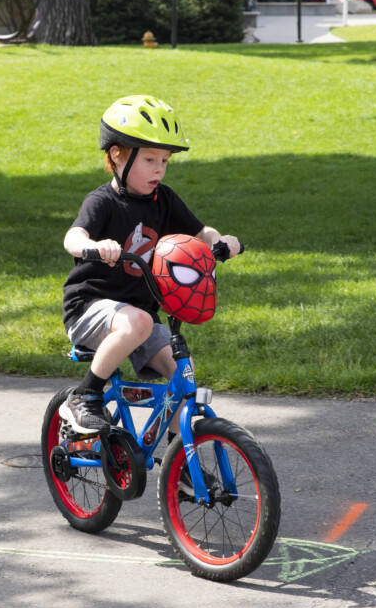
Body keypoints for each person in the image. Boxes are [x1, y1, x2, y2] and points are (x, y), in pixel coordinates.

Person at [60, 95, 241, 435]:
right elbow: (73, 237)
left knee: (182, 378)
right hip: (89, 308)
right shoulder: (102, 201)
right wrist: (94, 247)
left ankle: (180, 464)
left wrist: (222, 240)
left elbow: (201, 232)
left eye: (165, 161)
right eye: (150, 159)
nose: (159, 169)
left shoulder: (164, 199)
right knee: (139, 322)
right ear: (117, 155)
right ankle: (84, 396)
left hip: (138, 316)